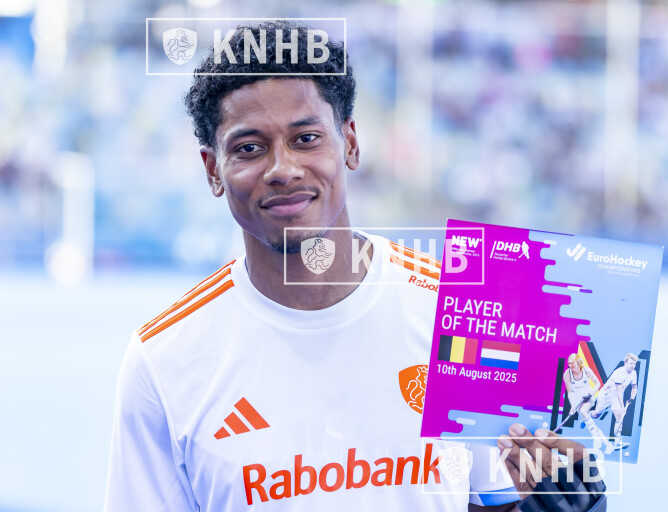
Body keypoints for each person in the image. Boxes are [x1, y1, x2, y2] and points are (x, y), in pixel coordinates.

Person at [105, 22, 606, 511]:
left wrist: (561, 505)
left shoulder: (461, 313)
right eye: (249, 148)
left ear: (350, 143)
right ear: (213, 169)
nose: (283, 169)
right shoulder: (164, 361)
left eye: (306, 138)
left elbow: (491, 503)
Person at [591, 353, 639, 452]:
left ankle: (617, 443)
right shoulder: (619, 373)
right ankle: (587, 415)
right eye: (631, 363)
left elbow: (634, 388)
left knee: (619, 416)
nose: (632, 366)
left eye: (634, 364)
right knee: (596, 415)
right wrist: (622, 407)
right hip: (606, 395)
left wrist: (631, 398)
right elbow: (618, 391)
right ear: (625, 363)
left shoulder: (634, 373)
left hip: (617, 397)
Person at [563, 354, 609, 451]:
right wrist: (572, 406)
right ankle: (607, 444)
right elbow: (570, 392)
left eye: (572, 363)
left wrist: (591, 393)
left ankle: (596, 439)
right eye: (569, 364)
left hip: (588, 396)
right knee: (589, 421)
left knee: (583, 412)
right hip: (577, 401)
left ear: (578, 362)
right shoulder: (567, 374)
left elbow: (598, 383)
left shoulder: (586, 370)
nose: (570, 366)